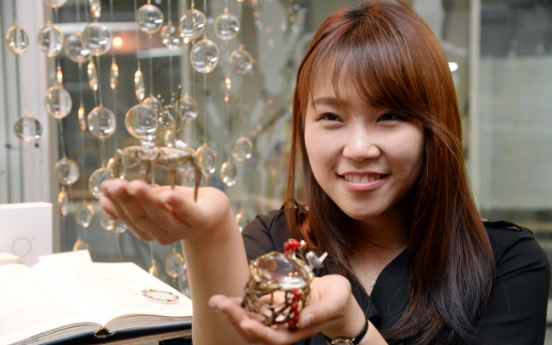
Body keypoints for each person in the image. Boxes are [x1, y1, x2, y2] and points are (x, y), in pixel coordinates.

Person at [100, 1, 551, 344]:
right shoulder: (273, 244)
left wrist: (351, 326)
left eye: (390, 115)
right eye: (331, 118)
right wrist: (209, 233)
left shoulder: (506, 265)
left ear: (436, 127)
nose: (358, 149)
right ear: (303, 128)